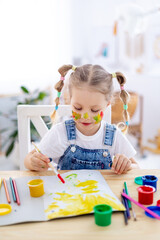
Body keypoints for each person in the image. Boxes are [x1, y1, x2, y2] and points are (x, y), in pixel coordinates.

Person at [24, 64, 139, 174]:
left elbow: (137, 168)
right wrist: (32, 162)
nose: (86, 116)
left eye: (94, 110)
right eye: (78, 108)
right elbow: (28, 160)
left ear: (107, 105)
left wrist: (127, 166)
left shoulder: (113, 135)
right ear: (70, 100)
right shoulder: (60, 133)